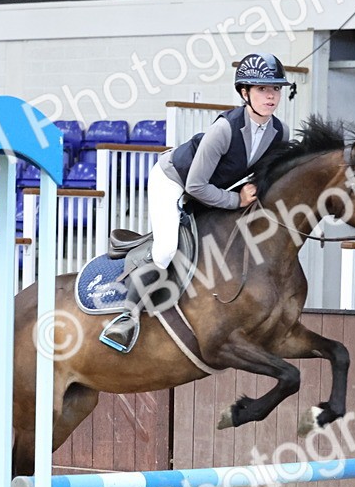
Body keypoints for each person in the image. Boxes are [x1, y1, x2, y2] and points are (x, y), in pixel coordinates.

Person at [100, 52, 293, 353]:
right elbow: (195, 185)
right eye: (262, 89)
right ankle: (126, 318)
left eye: (276, 89)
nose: (271, 96)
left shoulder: (279, 131)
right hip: (174, 180)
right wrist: (235, 199)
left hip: (213, 187)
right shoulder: (224, 129)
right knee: (165, 249)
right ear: (245, 92)